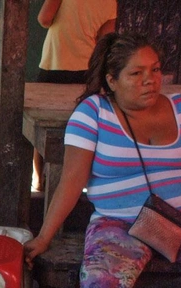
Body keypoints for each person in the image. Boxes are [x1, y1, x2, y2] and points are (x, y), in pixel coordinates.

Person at [24, 33, 181, 288]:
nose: (150, 80)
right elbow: (72, 181)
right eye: (136, 73)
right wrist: (44, 236)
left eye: (155, 69)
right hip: (119, 225)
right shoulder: (93, 113)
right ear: (112, 81)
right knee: (101, 286)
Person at [33, 0, 117, 191]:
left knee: (41, 121)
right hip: (86, 70)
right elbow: (105, 39)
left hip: (55, 62)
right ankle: (76, 179)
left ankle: (38, 178)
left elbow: (44, 19)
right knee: (81, 124)